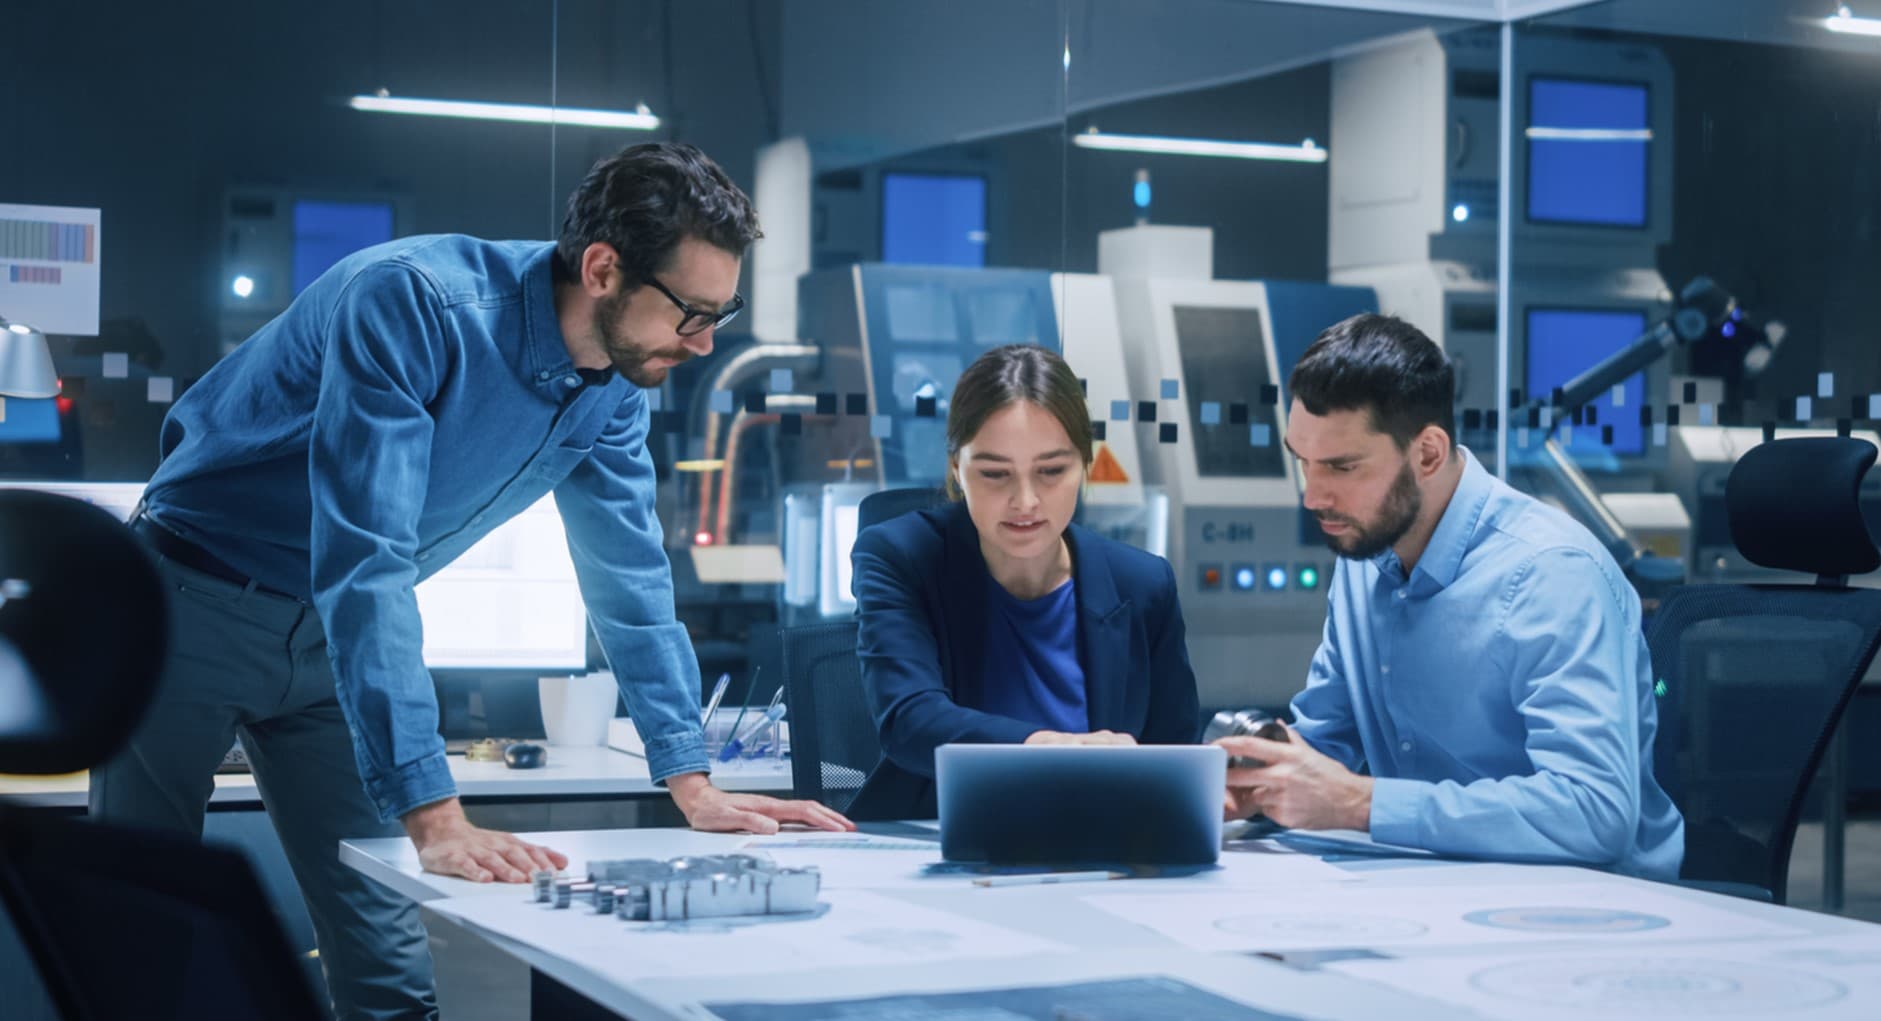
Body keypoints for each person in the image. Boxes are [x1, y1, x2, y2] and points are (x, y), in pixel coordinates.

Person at [90, 142, 853, 1020]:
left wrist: (691, 777)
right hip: (186, 604)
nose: (706, 342)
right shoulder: (414, 303)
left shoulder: (614, 389)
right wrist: (435, 812)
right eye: (691, 313)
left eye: (722, 314)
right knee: (137, 932)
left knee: (389, 964)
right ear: (603, 268)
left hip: (331, 645)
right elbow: (365, 556)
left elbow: (630, 579)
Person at [1217, 313, 1683, 881]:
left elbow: (1594, 812)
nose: (1313, 496)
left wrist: (1361, 804)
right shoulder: (1366, 557)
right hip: (1428, 886)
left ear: (1429, 454)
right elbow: (1327, 747)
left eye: (1342, 466)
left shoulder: (1552, 574)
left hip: (1590, 907)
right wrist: (1258, 778)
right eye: (1303, 462)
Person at [848, 344, 1200, 820]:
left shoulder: (1143, 584)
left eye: (1052, 471)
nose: (1026, 501)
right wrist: (1051, 748)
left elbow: (1174, 759)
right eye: (995, 474)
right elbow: (910, 720)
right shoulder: (900, 557)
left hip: (1105, 854)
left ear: (1085, 465)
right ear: (957, 469)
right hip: (949, 845)